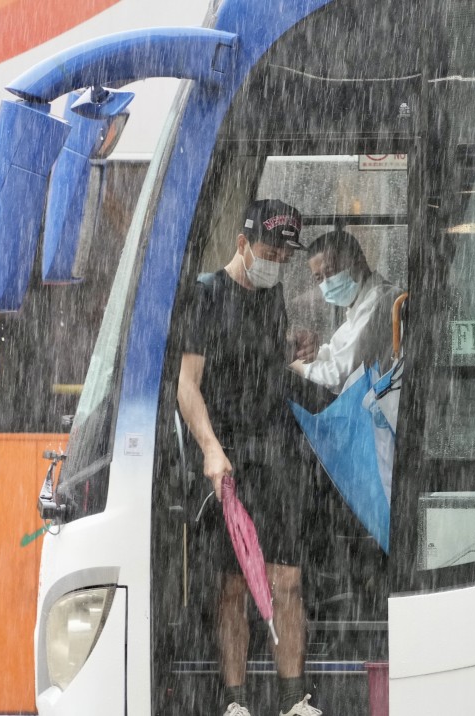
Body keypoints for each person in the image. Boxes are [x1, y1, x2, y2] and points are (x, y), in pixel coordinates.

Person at [177, 199, 322, 716]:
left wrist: (291, 350)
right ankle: (236, 702)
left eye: (284, 257)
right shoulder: (207, 294)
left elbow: (260, 365)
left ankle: (293, 699)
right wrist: (211, 450)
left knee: (287, 579)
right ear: (242, 245)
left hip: (277, 450)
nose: (276, 264)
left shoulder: (273, 294)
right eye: (268, 252)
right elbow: (187, 387)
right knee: (234, 585)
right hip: (230, 458)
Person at [290, 229, 405, 393]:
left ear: (359, 262)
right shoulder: (358, 306)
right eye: (318, 278)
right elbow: (335, 350)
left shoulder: (380, 300)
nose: (326, 283)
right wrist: (308, 354)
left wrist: (300, 366)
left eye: (330, 271)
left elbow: (340, 376)